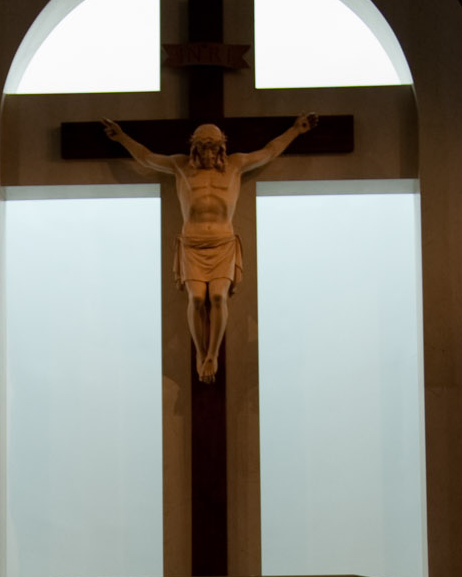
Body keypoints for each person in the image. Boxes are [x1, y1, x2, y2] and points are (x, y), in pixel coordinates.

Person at [102, 114, 316, 381]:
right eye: (203, 147)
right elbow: (146, 158)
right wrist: (122, 137)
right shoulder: (181, 166)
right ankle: (200, 353)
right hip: (192, 244)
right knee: (195, 298)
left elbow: (269, 152)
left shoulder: (236, 166)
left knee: (217, 297)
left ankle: (212, 354)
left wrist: (295, 130)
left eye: (212, 147)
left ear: (221, 148)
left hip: (222, 244)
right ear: (195, 147)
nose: (208, 153)